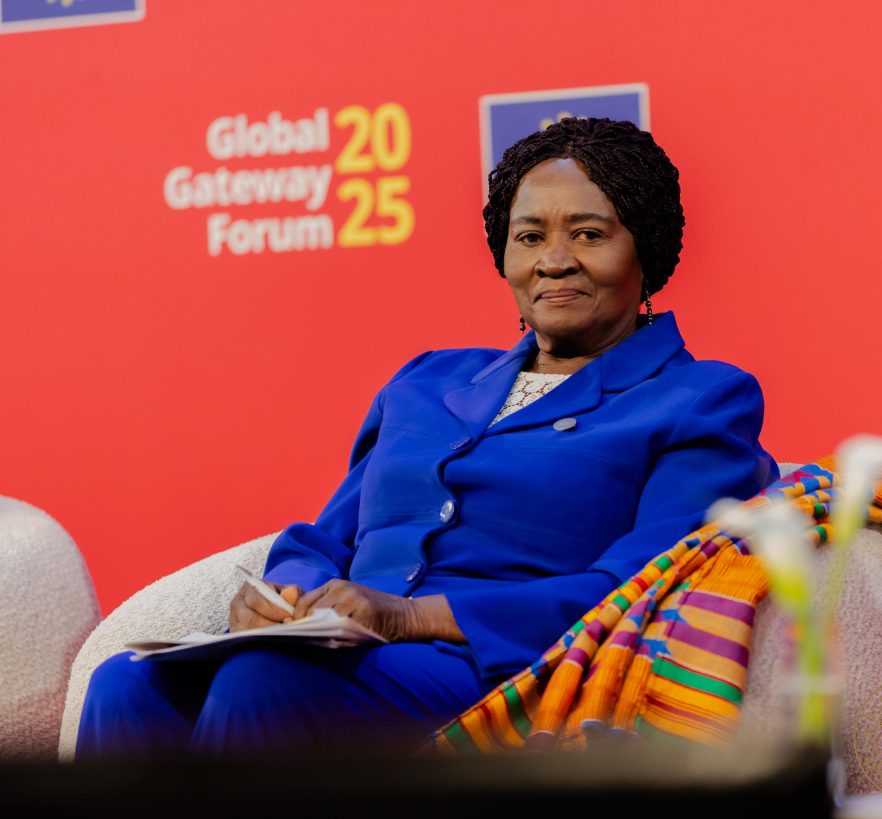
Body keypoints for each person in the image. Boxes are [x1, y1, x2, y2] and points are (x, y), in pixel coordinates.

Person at [76, 117, 780, 759]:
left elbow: (638, 589)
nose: (554, 260)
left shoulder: (699, 399)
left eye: (589, 235)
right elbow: (328, 537)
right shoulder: (427, 380)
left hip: (506, 668)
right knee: (127, 684)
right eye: (529, 236)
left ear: (644, 249)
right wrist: (285, 598)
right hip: (339, 650)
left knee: (264, 679)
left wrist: (414, 616)